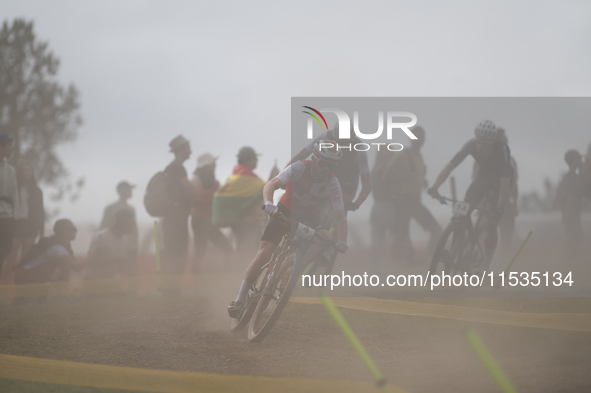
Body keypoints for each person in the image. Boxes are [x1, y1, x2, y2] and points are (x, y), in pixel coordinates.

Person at [228, 139, 349, 318]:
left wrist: (342, 241)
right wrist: (269, 202)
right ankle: (239, 299)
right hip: (284, 211)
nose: (325, 169)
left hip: (309, 219)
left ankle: (295, 271)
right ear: (314, 159)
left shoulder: (332, 182)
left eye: (330, 166)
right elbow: (271, 184)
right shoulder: (299, 167)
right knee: (264, 253)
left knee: (325, 239)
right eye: (323, 163)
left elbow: (340, 216)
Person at [428, 120, 514, 271]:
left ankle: (486, 264)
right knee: (462, 212)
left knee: (492, 223)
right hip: (483, 177)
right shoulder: (471, 145)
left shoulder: (502, 149)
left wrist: (500, 206)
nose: (480, 146)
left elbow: (505, 183)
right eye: (478, 141)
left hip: (499, 182)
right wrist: (435, 186)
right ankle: (460, 244)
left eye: (485, 143)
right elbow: (450, 166)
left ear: (493, 141)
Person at [385, 126, 442, 265]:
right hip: (404, 200)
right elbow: (386, 176)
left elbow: (416, 176)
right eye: (416, 137)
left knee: (433, 231)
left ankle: (429, 260)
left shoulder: (419, 157)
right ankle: (395, 264)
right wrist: (407, 177)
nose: (419, 140)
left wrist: (422, 181)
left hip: (414, 200)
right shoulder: (402, 154)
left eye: (422, 138)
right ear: (410, 138)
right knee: (402, 235)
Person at [212, 146, 278, 260]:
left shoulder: (237, 175)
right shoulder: (245, 176)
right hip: (248, 223)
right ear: (247, 159)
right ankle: (241, 275)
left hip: (241, 222)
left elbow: (257, 192)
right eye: (254, 159)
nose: (256, 161)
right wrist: (273, 178)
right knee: (248, 254)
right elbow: (263, 190)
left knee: (245, 252)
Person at [473, 128, 519, 251]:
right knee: (483, 231)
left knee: (507, 234)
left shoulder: (511, 160)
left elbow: (513, 184)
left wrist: (515, 203)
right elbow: (477, 182)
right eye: (504, 138)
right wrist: (478, 202)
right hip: (486, 201)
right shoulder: (482, 159)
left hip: (506, 202)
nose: (507, 140)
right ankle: (480, 260)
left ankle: (504, 261)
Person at [3, 160, 45, 286]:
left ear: (32, 173)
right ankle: (5, 286)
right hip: (14, 225)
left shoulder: (36, 191)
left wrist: (41, 231)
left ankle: (22, 286)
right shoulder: (11, 188)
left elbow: (40, 211)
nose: (26, 173)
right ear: (18, 172)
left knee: (26, 258)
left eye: (28, 170)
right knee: (10, 256)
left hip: (29, 226)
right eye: (23, 170)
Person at [162, 135, 196, 284]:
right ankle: (171, 289)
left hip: (173, 220)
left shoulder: (172, 168)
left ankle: (171, 288)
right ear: (181, 149)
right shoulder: (177, 167)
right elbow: (189, 189)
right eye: (188, 147)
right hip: (176, 221)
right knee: (177, 255)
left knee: (174, 254)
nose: (190, 150)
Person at [190, 152, 233, 271]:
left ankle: (226, 275)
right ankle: (196, 284)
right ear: (206, 167)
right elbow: (198, 200)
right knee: (200, 253)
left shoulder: (212, 182)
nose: (215, 166)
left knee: (227, 249)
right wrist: (214, 190)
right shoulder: (195, 181)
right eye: (213, 164)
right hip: (200, 220)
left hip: (208, 220)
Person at [14, 219, 79, 287]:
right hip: (28, 279)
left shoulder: (64, 246)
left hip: (34, 278)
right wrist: (90, 259)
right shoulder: (57, 247)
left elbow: (70, 266)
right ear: (64, 232)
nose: (75, 231)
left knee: (64, 268)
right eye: (72, 229)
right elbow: (76, 267)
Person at [83, 209, 136, 280]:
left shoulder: (124, 239)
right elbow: (89, 261)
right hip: (93, 283)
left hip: (111, 283)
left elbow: (119, 264)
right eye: (131, 220)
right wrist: (113, 261)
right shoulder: (100, 237)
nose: (134, 223)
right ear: (123, 222)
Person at [99, 181, 138, 276]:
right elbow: (103, 229)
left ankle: (131, 291)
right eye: (128, 189)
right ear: (121, 191)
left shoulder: (131, 209)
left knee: (131, 274)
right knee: (115, 274)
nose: (131, 192)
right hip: (115, 248)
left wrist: (136, 246)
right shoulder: (110, 208)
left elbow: (134, 230)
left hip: (131, 249)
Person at [369, 149, 396, 269]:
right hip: (387, 207)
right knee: (397, 235)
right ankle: (399, 264)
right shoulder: (385, 170)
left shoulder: (375, 170)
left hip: (376, 207)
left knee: (377, 239)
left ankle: (375, 266)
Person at [555, 150, 584, 260]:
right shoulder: (572, 177)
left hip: (571, 211)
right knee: (574, 237)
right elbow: (571, 196)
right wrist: (567, 213)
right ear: (574, 161)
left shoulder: (569, 176)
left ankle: (569, 259)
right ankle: (568, 259)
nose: (581, 160)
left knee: (573, 236)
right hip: (571, 212)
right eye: (579, 158)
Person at [0, 133, 18, 274]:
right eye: (9, 146)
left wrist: (14, 218)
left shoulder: (10, 170)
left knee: (4, 253)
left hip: (7, 219)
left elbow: (14, 196)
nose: (11, 149)